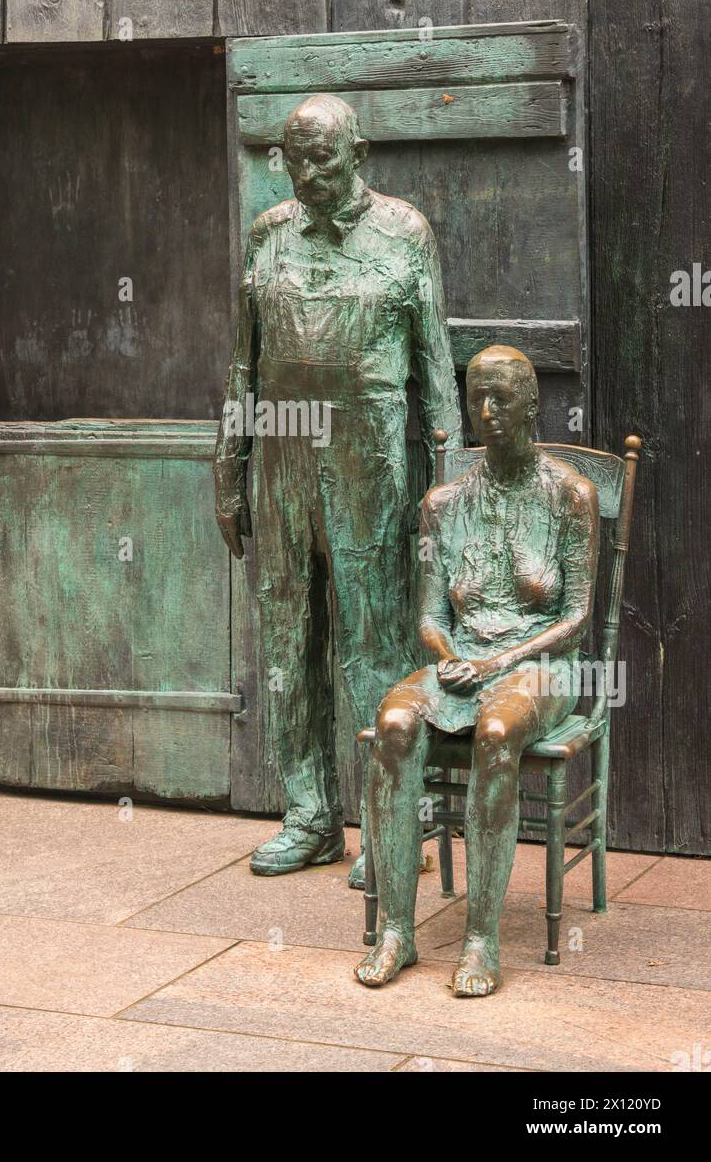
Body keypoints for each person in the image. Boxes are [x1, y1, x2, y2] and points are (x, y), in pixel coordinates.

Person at [213, 93, 462, 884]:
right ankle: (310, 815)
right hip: (282, 452)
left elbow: (435, 364)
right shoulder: (268, 233)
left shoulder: (404, 231)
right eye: (295, 156)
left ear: (360, 154)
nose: (310, 171)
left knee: (374, 640)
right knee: (287, 636)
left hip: (372, 457)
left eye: (325, 155)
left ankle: (396, 818)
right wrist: (229, 468)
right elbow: (244, 364)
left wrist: (447, 486)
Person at [355, 345, 599, 994]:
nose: (485, 412)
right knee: (395, 721)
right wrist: (449, 658)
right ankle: (398, 933)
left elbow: (574, 617)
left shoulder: (568, 496)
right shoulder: (443, 504)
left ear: (530, 406)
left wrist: (499, 661)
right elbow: (429, 618)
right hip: (461, 662)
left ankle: (480, 940)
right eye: (474, 400)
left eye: (500, 399)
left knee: (497, 733)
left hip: (540, 665)